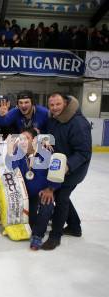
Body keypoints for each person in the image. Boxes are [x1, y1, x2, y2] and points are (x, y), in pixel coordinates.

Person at [41, 93, 92, 250]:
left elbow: (83, 152)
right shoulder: (53, 119)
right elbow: (50, 136)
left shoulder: (78, 123)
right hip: (58, 165)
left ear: (65, 103)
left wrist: (68, 166)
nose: (55, 108)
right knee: (61, 196)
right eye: (51, 105)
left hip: (75, 168)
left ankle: (55, 236)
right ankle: (75, 227)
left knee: (61, 197)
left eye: (58, 104)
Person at [5, 128, 59, 250]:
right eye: (21, 139)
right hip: (26, 195)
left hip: (42, 192)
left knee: (47, 203)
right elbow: (13, 171)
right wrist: (11, 152)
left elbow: (55, 174)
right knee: (30, 222)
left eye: (27, 138)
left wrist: (50, 189)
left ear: (34, 140)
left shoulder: (46, 153)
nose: (23, 141)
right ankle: (40, 220)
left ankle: (37, 236)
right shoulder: (18, 154)